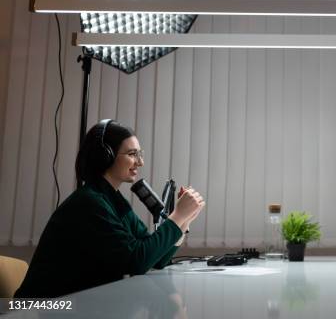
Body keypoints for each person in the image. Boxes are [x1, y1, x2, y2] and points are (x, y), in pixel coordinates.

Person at [15, 120, 205, 298]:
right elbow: (136, 262)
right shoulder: (89, 203)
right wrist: (177, 216)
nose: (140, 162)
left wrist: (184, 220)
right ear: (105, 156)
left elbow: (155, 259)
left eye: (140, 154)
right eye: (132, 154)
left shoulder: (112, 199)